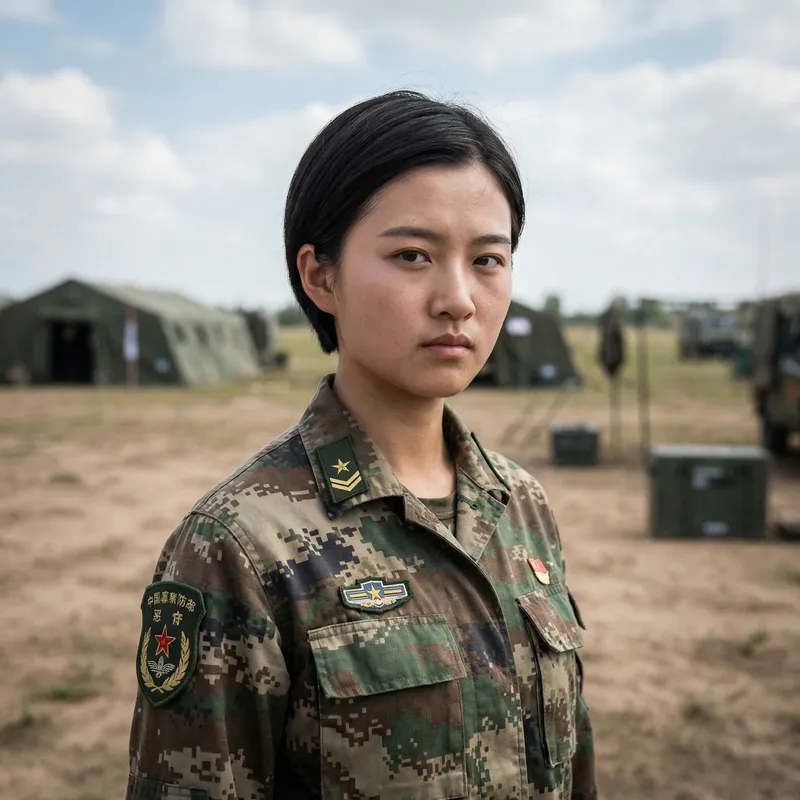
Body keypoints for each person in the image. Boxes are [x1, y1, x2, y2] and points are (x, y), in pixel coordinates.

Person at [126, 89, 597, 800]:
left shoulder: (520, 504)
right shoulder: (241, 546)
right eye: (413, 255)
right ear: (320, 276)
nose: (458, 298)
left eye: (488, 260)